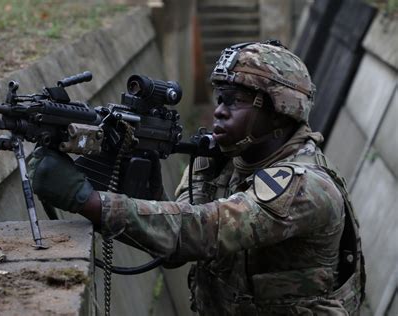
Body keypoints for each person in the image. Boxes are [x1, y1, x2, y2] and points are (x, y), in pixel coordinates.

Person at [28, 41, 365, 315]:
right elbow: (176, 245)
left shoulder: (305, 187)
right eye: (220, 98)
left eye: (236, 101)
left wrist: (85, 199)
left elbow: (207, 231)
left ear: (280, 109)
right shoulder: (219, 160)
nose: (219, 110)